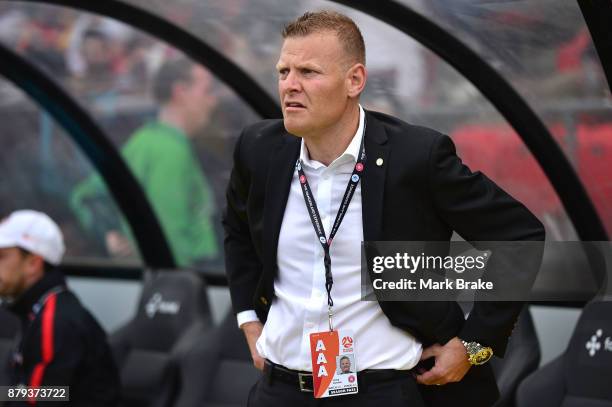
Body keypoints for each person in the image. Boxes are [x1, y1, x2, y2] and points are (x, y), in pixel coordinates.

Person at [223, 10, 545, 407]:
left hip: (383, 391)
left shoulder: (415, 156)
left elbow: (519, 236)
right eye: (283, 71)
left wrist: (472, 345)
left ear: (354, 80)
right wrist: (247, 319)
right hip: (280, 390)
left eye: (308, 72)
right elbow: (236, 231)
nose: (290, 85)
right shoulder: (258, 148)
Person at [71, 58, 220, 267]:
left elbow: (85, 196)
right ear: (180, 92)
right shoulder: (170, 152)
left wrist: (107, 231)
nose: (213, 101)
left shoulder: (145, 139)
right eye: (207, 91)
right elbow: (171, 240)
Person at [0, 210, 120, 406]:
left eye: (1, 256)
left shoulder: (54, 320)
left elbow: (43, 397)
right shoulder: (39, 309)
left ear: (33, 264)